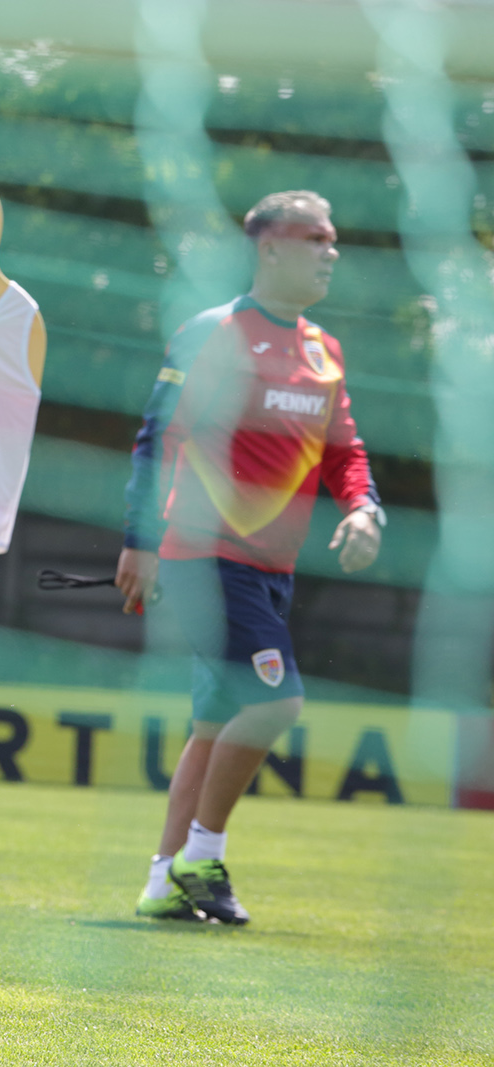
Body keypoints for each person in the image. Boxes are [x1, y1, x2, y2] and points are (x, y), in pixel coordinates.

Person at [117, 190, 384, 925]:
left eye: (333, 239)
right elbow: (158, 439)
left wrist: (363, 507)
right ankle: (202, 857)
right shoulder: (214, 333)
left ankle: (162, 880)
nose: (331, 252)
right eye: (315, 239)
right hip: (204, 559)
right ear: (269, 248)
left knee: (214, 724)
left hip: (274, 572)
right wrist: (139, 540)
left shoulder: (324, 350)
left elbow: (346, 451)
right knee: (275, 702)